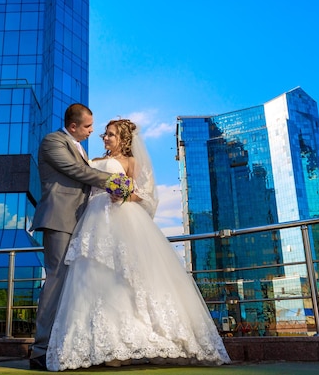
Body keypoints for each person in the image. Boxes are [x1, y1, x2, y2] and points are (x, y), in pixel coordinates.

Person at [45, 119, 231, 371]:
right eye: (104, 134)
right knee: (90, 278)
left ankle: (133, 340)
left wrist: (123, 194)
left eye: (110, 135)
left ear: (123, 138)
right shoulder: (93, 159)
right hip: (92, 220)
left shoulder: (131, 162)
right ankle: (101, 344)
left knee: (126, 278)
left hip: (120, 217)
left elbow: (144, 193)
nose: (105, 138)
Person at [29, 104, 113, 371]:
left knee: (72, 283)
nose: (92, 131)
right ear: (73, 125)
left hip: (79, 222)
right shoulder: (53, 141)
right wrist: (115, 181)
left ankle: (63, 346)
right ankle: (40, 351)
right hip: (59, 219)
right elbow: (78, 172)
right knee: (56, 280)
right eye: (88, 126)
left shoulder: (79, 146)